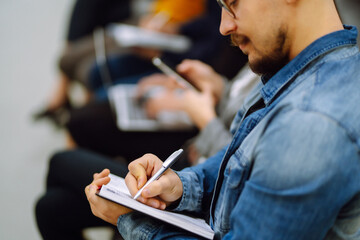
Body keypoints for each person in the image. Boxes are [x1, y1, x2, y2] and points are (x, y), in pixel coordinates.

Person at [85, 0, 360, 239]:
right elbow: (241, 161)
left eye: (233, 2)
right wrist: (180, 186)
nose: (224, 26)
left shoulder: (309, 124)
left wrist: (132, 221)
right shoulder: (307, 68)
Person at [35, 62, 260, 239]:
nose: (225, 24)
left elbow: (238, 168)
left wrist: (203, 118)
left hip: (203, 178)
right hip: (192, 164)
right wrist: (219, 86)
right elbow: (238, 112)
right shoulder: (265, 67)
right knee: (49, 208)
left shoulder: (284, 97)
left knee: (61, 161)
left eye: (232, 5)